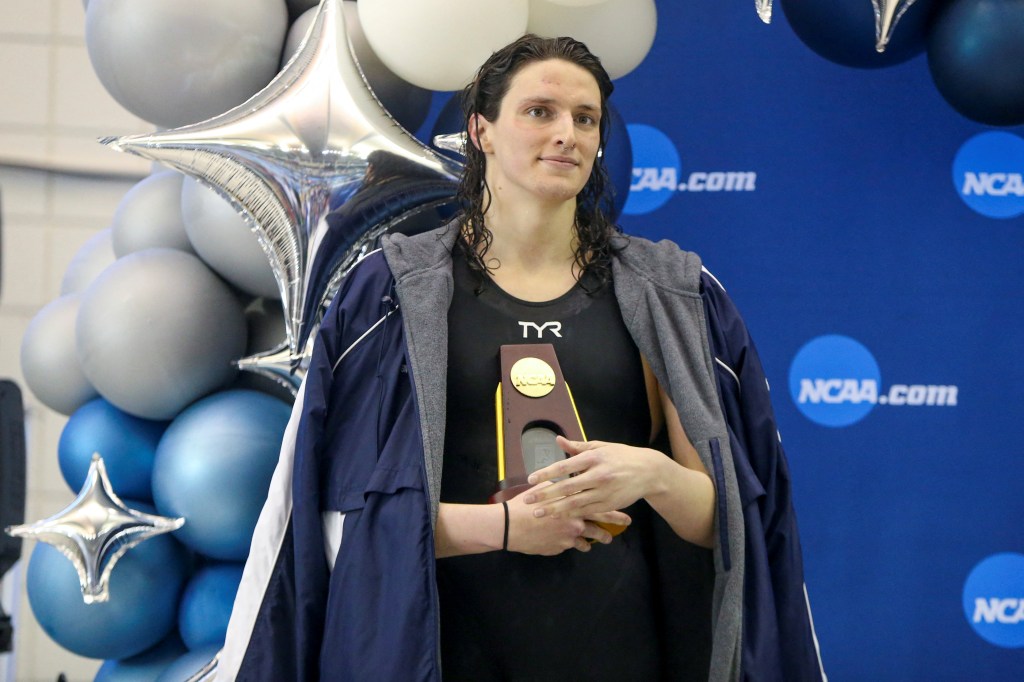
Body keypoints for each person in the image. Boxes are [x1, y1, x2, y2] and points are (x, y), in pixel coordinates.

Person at [214, 35, 826, 682]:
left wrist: (650, 474)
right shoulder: (392, 294)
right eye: (540, 112)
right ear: (481, 130)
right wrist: (505, 526)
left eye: (585, 119)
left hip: (621, 653)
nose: (567, 133)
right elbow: (341, 525)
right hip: (443, 653)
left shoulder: (673, 295)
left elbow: (727, 522)